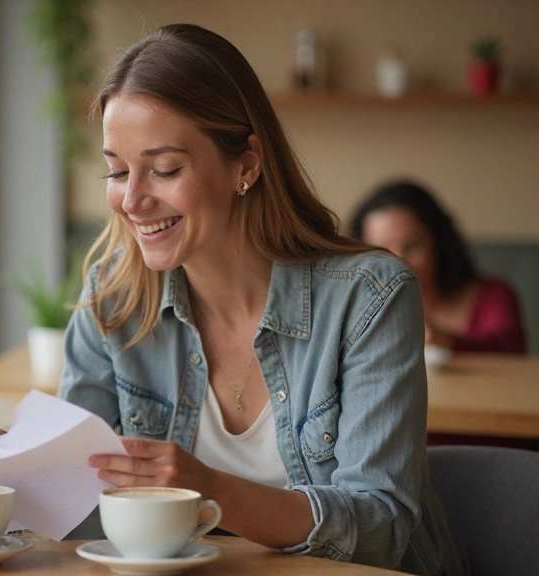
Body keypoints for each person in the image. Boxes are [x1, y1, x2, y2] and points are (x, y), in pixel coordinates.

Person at [58, 24, 466, 575]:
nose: (132, 200)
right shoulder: (115, 296)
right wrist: (11, 467)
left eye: (165, 169)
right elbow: (74, 503)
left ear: (246, 164)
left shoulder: (370, 297)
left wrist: (209, 488)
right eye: (117, 170)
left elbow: (380, 528)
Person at [351, 180, 527, 354]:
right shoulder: (356, 310)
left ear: (440, 242)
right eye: (382, 252)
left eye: (412, 246)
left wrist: (445, 341)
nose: (398, 263)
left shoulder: (493, 295)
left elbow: (509, 347)